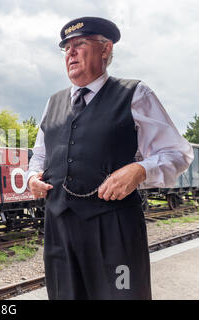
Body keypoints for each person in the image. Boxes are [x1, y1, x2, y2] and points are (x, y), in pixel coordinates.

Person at [26, 16, 194, 300]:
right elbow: (40, 155)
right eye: (66, 47)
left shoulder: (135, 94)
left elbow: (178, 153)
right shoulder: (52, 103)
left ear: (106, 50)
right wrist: (32, 176)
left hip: (114, 229)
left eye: (79, 44)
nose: (71, 53)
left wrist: (140, 170)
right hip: (59, 228)